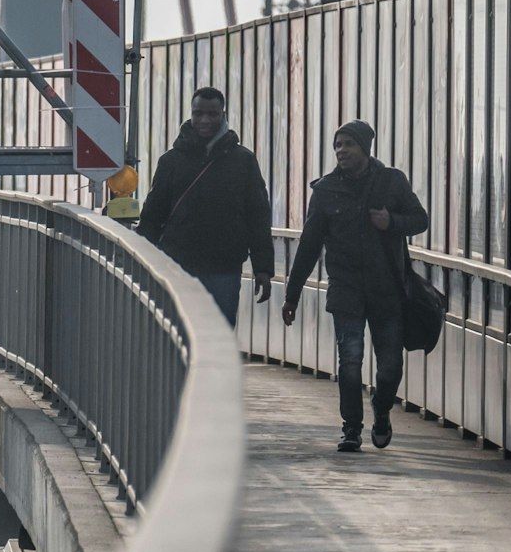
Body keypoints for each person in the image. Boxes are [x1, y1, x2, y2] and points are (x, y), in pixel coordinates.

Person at [280, 120, 429, 452]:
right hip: (345, 289)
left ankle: (382, 408)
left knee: (390, 366)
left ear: (365, 147)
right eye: (337, 145)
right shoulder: (326, 191)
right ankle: (351, 429)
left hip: (387, 290)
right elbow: (308, 246)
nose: (341, 150)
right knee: (349, 361)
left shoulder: (392, 183)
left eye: (348, 144)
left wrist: (392, 222)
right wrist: (292, 295)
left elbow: (421, 220)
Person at [137, 86, 275, 326]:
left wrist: (263, 267)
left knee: (217, 331)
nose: (204, 120)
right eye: (198, 113)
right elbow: (153, 214)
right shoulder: (171, 162)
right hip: (178, 263)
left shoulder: (242, 161)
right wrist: (140, 260)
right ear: (191, 114)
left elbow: (258, 216)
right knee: (179, 332)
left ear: (223, 115)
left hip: (223, 266)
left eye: (212, 114)